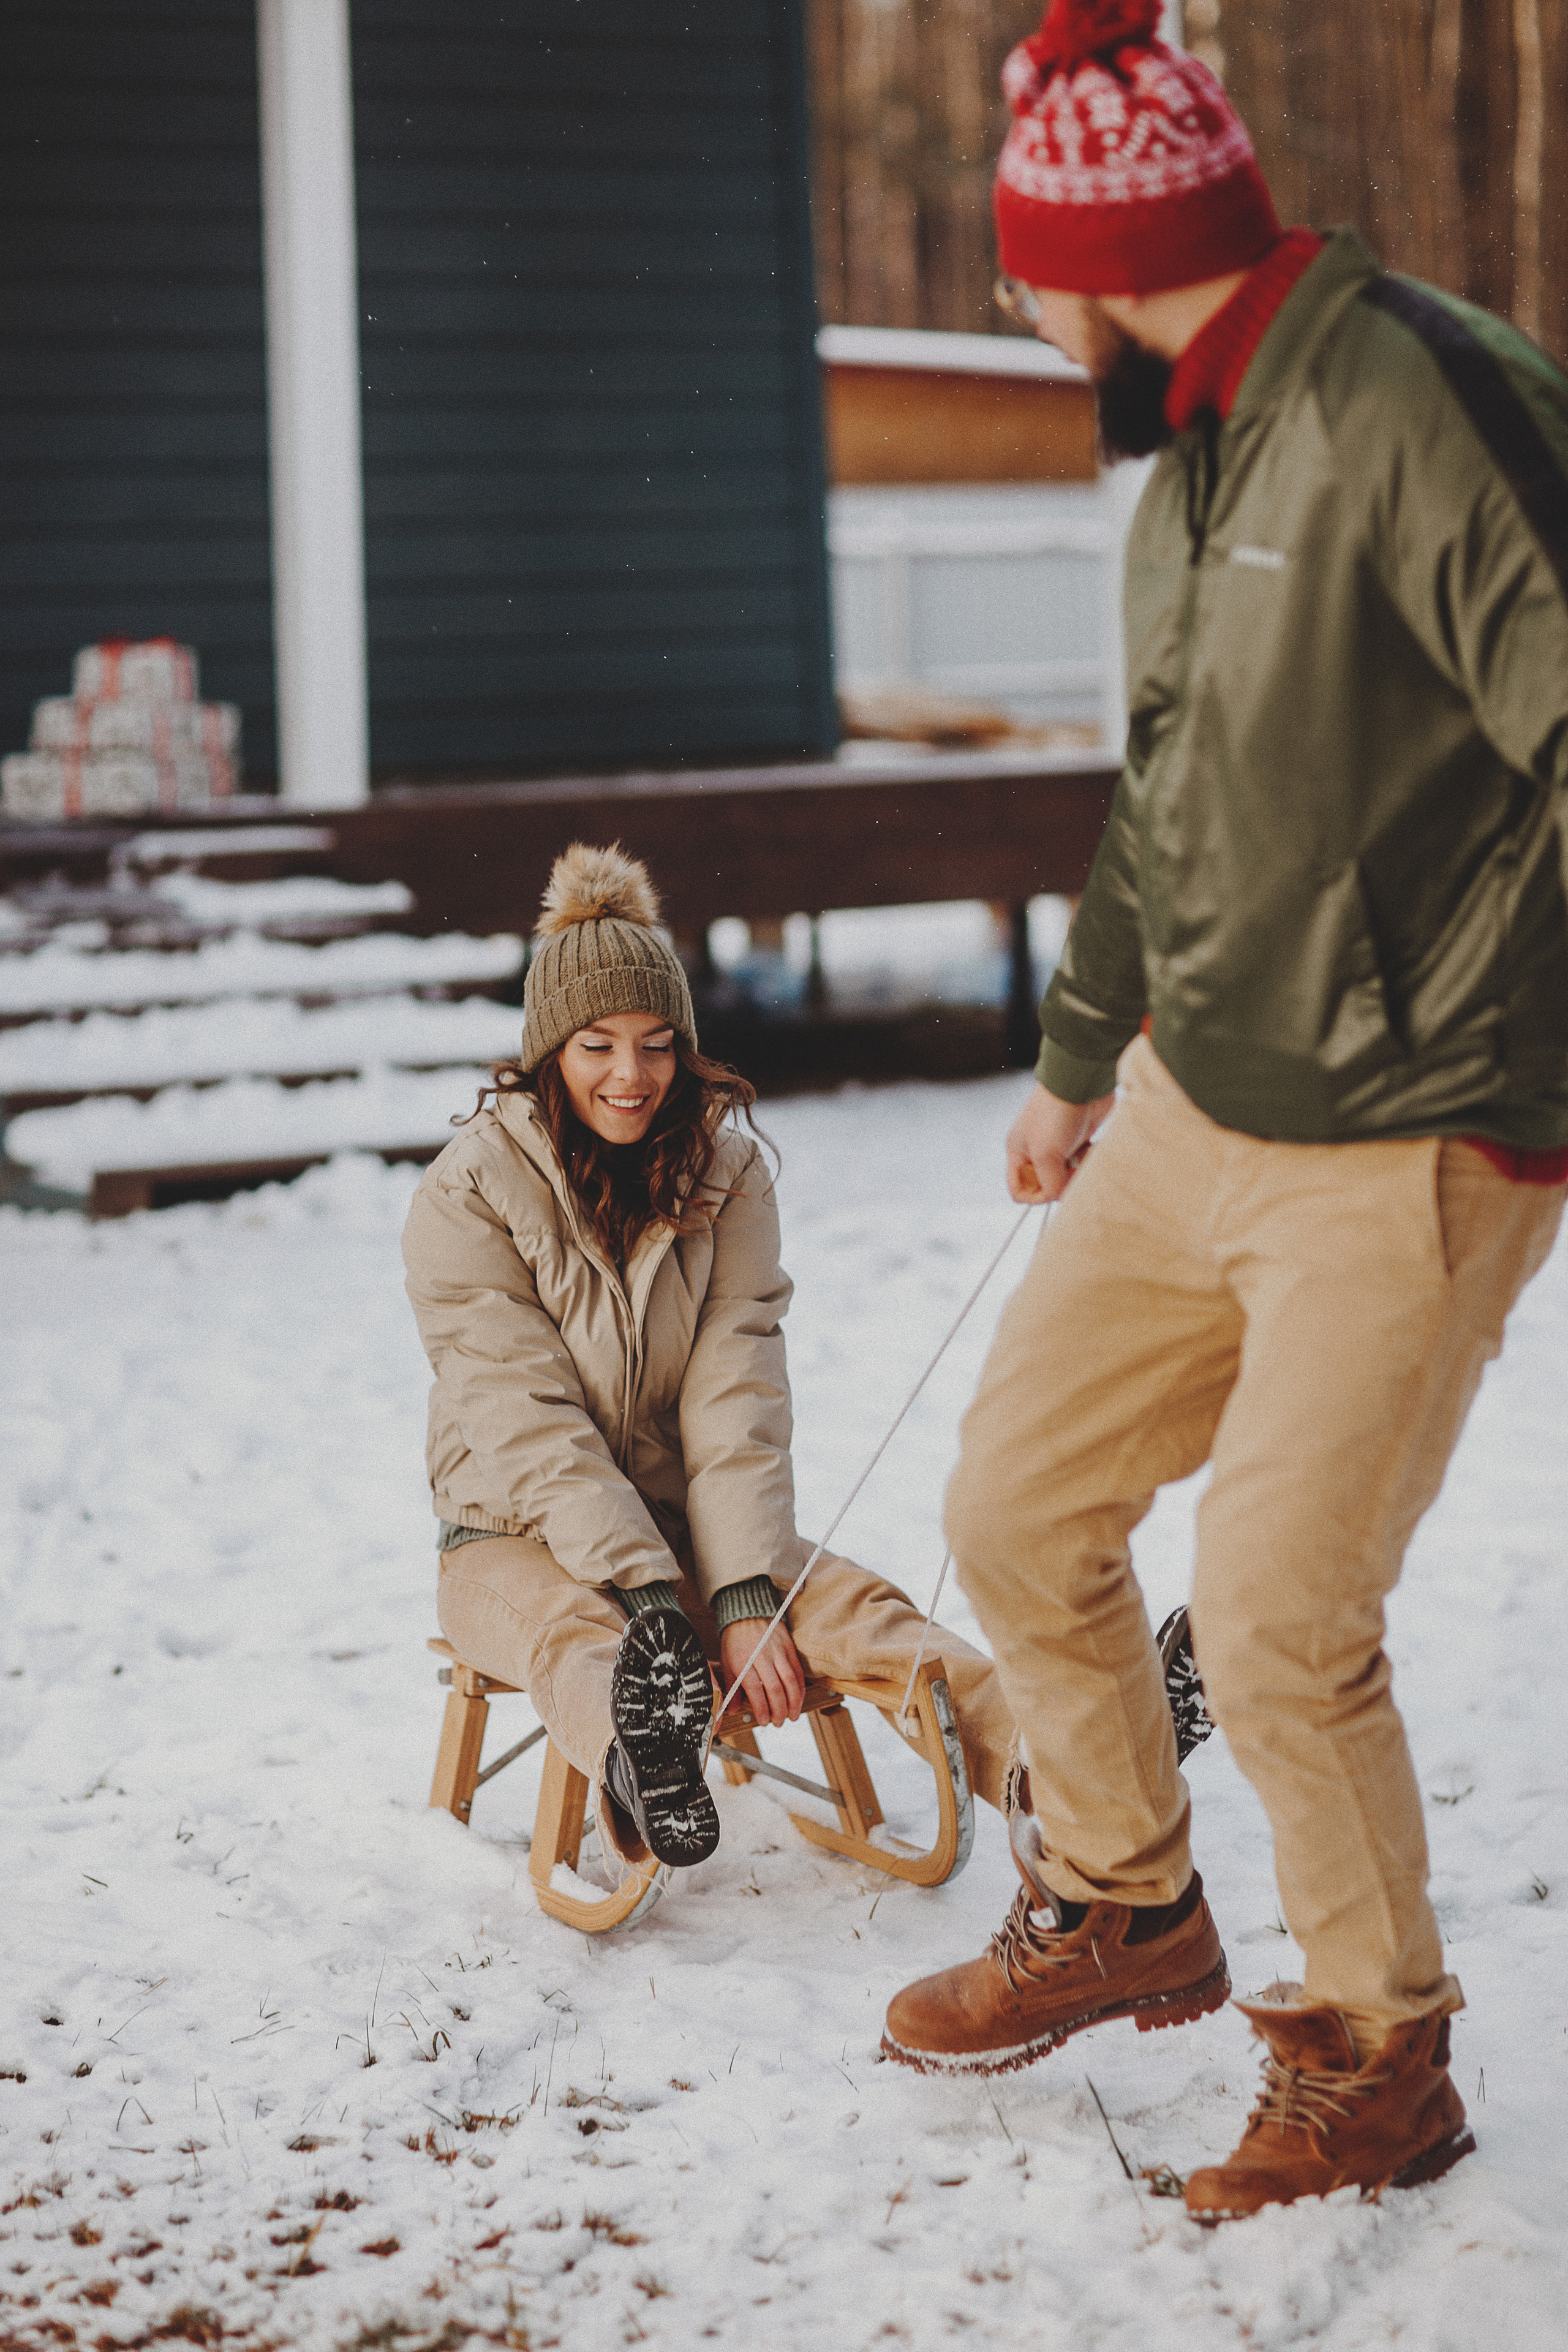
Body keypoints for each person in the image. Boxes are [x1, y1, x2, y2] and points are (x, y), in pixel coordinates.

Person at [880, 0, 1568, 2223]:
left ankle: (1379, 2058)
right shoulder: (1199, 457)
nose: (1011, 310)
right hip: (1197, 1108)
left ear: (1095, 254)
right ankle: (1122, 1901)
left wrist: (1502, 1062)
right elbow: (1168, 800)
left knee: (1273, 1616)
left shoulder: (1417, 400)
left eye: (1013, 273)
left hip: (1417, 1133)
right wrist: (1085, 1058)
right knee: (1017, 1505)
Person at [402, 842, 1027, 1872]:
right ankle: (643, 1765)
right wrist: (655, 1599)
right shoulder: (467, 1195)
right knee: (581, 1638)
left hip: (691, 1526)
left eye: (655, 1045)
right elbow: (528, 1423)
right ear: (550, 1048)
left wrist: (740, 1593)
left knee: (850, 1607)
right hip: (506, 1541)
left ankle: (1059, 1765)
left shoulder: (724, 1177)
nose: (630, 1075)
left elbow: (736, 1387)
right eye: (597, 1044)